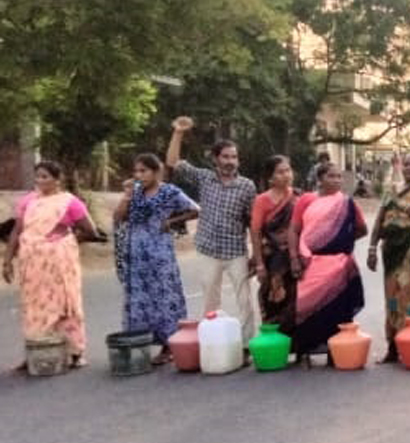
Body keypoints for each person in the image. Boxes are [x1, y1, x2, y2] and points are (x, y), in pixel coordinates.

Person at [166, 116, 259, 343]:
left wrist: (256, 254)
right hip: (208, 249)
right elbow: (173, 162)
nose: (230, 161)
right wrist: (178, 132)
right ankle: (213, 344)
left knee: (245, 300)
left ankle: (247, 345)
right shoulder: (205, 178)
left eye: (234, 157)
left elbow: (252, 222)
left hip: (236, 251)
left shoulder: (247, 186)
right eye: (225, 157)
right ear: (216, 159)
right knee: (210, 301)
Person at [3, 161, 102, 371]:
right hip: (32, 264)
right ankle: (35, 349)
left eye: (45, 177)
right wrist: (7, 260)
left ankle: (76, 352)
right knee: (34, 306)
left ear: (58, 179)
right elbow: (16, 232)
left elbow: (90, 231)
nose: (40, 181)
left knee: (64, 303)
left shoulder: (70, 202)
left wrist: (63, 240)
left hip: (59, 263)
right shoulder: (28, 201)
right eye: (37, 176)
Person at [113, 153, 199, 365]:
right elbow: (119, 217)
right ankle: (139, 343)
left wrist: (171, 222)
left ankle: (169, 345)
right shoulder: (134, 193)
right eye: (137, 171)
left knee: (164, 296)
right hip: (136, 253)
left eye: (144, 171)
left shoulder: (169, 192)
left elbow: (195, 210)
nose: (139, 175)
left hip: (160, 252)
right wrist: (126, 196)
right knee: (140, 298)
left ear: (156, 171)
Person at [289, 161, 367, 360]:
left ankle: (337, 352)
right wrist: (294, 259)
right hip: (311, 264)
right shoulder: (306, 200)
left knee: (339, 309)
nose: (337, 180)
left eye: (339, 176)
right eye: (331, 176)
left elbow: (362, 229)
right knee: (308, 307)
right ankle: (306, 350)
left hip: (339, 264)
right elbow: (294, 230)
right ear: (320, 179)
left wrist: (339, 242)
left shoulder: (346, 202)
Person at [367, 152, 410, 363]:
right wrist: (371, 248)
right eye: (406, 164)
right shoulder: (391, 191)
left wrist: (402, 205)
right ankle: (393, 347)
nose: (408, 168)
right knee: (394, 299)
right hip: (392, 252)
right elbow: (380, 221)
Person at [250, 156, 299, 337]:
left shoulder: (297, 197)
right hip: (272, 259)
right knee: (273, 297)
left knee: (295, 300)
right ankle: (274, 341)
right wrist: (260, 264)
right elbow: (255, 232)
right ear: (271, 177)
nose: (286, 175)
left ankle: (295, 345)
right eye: (280, 172)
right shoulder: (262, 200)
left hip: (294, 258)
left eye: (288, 170)